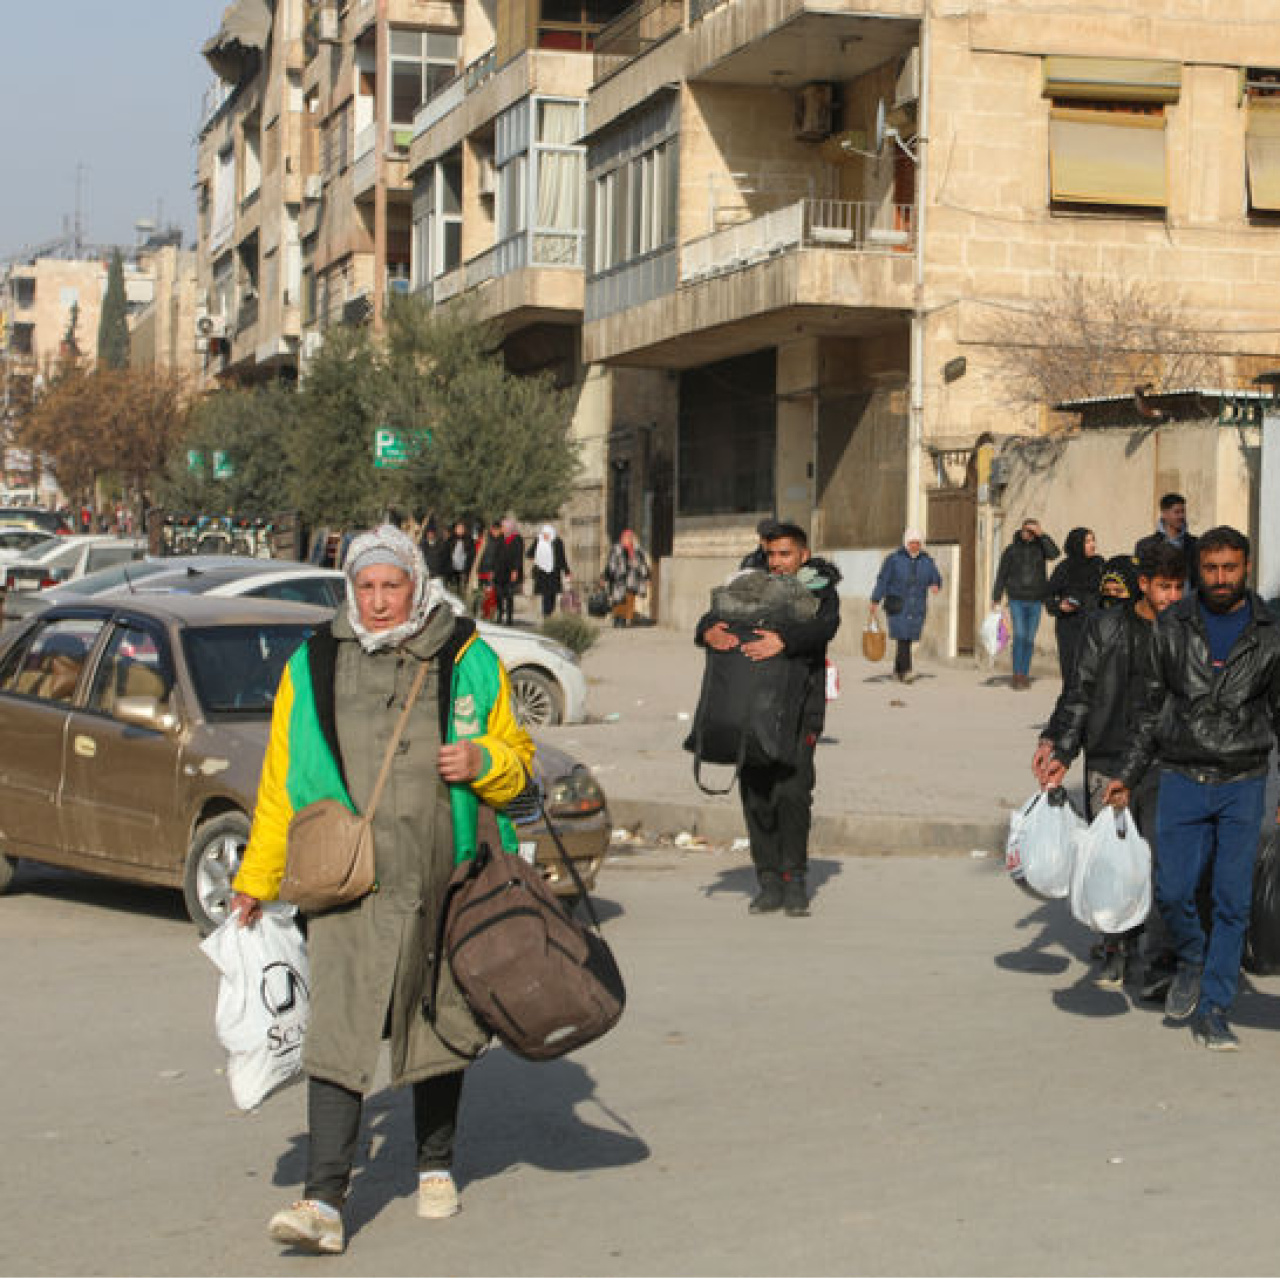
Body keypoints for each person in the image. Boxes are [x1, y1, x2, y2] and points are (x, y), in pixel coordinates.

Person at [228, 524, 534, 1253]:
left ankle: (435, 1164)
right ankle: (323, 1200)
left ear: (416, 584)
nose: (378, 600)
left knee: (440, 1017)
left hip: (444, 871)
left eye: (391, 585)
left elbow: (521, 765)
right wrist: (255, 879)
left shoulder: (467, 656)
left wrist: (483, 760)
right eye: (365, 586)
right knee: (338, 1029)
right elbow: (282, 781)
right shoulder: (314, 662)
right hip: (347, 877)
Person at [1104, 527, 1280, 1051]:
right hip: (1182, 773)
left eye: (1230, 568)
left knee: (1231, 900)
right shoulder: (1174, 624)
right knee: (1173, 890)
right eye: (1211, 568)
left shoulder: (1270, 633)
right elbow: (1151, 707)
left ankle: (1215, 1008)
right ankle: (1193, 958)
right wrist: (1127, 773)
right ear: (1199, 571)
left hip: (1243, 780)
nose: (1220, 578)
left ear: (1246, 568)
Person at [1033, 543, 1186, 991]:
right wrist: (1062, 750)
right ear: (1144, 585)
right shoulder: (1105, 627)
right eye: (1165, 587)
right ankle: (1116, 947)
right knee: (1110, 858)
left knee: (1158, 860)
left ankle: (1158, 956)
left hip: (1163, 761)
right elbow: (1079, 692)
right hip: (1107, 757)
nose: (1172, 597)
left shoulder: (1185, 632)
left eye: (1179, 588)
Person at [695, 522, 842, 917]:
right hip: (750, 710)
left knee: (793, 793)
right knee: (757, 795)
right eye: (771, 554)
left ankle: (794, 879)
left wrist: (785, 641)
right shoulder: (749, 582)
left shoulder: (820, 587)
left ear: (803, 555)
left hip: (800, 711)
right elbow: (712, 616)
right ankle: (769, 880)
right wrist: (708, 631)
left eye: (785, 554)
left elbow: (825, 626)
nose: (776, 562)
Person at [992, 518, 1060, 690]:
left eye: (1031, 531)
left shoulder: (1041, 548)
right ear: (1021, 530)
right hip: (1016, 599)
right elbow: (1002, 573)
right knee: (1020, 636)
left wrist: (1042, 535)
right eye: (1025, 529)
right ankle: (1017, 675)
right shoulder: (1011, 550)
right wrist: (996, 596)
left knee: (1029, 639)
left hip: (1036, 600)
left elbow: (1054, 554)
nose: (1027, 533)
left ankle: (1024, 674)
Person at [869, 528, 942, 683]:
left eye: (917, 543)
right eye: (911, 543)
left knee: (907, 639)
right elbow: (883, 580)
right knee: (903, 636)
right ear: (906, 543)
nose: (914, 546)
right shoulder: (894, 559)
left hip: (917, 605)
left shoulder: (927, 561)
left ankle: (897, 671)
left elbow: (935, 576)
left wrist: (935, 583)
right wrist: (875, 599)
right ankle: (907, 671)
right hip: (898, 604)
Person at [1045, 527, 1104, 682]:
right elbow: (1048, 595)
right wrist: (1059, 606)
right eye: (1087, 541)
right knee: (1072, 673)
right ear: (1077, 544)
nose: (1092, 545)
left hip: (1095, 625)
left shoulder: (1099, 564)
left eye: (1093, 540)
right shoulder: (1064, 568)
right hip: (1070, 626)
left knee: (1094, 674)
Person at [1135, 492, 1199, 592]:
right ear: (1164, 514)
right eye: (1177, 512)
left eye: (1183, 512)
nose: (1181, 516)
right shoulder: (1145, 545)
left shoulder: (1195, 543)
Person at [605, 529, 651, 628]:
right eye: (627, 537)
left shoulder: (637, 550)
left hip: (632, 579)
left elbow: (643, 564)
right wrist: (612, 574)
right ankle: (618, 619)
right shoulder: (616, 549)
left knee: (630, 600)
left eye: (630, 537)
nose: (629, 539)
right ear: (622, 538)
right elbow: (611, 563)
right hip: (619, 580)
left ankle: (625, 619)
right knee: (619, 600)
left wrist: (646, 577)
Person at [527, 524, 571, 619]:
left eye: (547, 534)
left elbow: (562, 557)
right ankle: (546, 615)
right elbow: (529, 553)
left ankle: (549, 613)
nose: (545, 536)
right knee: (545, 594)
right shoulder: (539, 540)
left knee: (553, 594)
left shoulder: (557, 542)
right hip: (542, 572)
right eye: (543, 534)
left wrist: (567, 571)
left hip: (554, 572)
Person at [493, 517, 524, 626]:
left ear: (509, 527)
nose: (502, 529)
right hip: (499, 571)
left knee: (509, 595)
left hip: (510, 571)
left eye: (503, 527)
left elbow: (518, 556)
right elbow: (496, 554)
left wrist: (515, 570)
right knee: (498, 594)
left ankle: (509, 618)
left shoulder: (517, 539)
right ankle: (500, 614)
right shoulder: (501, 538)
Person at [444, 520, 475, 597]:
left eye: (462, 528)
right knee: (452, 590)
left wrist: (469, 566)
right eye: (458, 528)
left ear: (464, 529)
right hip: (452, 568)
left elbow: (472, 554)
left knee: (463, 589)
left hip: (464, 568)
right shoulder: (450, 540)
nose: (460, 530)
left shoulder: (469, 540)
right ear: (455, 529)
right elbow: (446, 554)